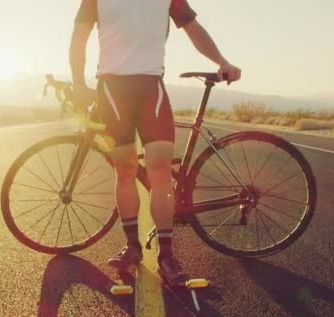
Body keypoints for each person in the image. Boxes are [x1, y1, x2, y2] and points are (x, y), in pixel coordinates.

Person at [69, 0, 241, 286]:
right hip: (112, 90)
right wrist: (77, 83)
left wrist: (221, 61)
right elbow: (79, 36)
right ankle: (133, 248)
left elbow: (192, 28)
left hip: (152, 89)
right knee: (124, 171)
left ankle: (166, 256)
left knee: (159, 174)